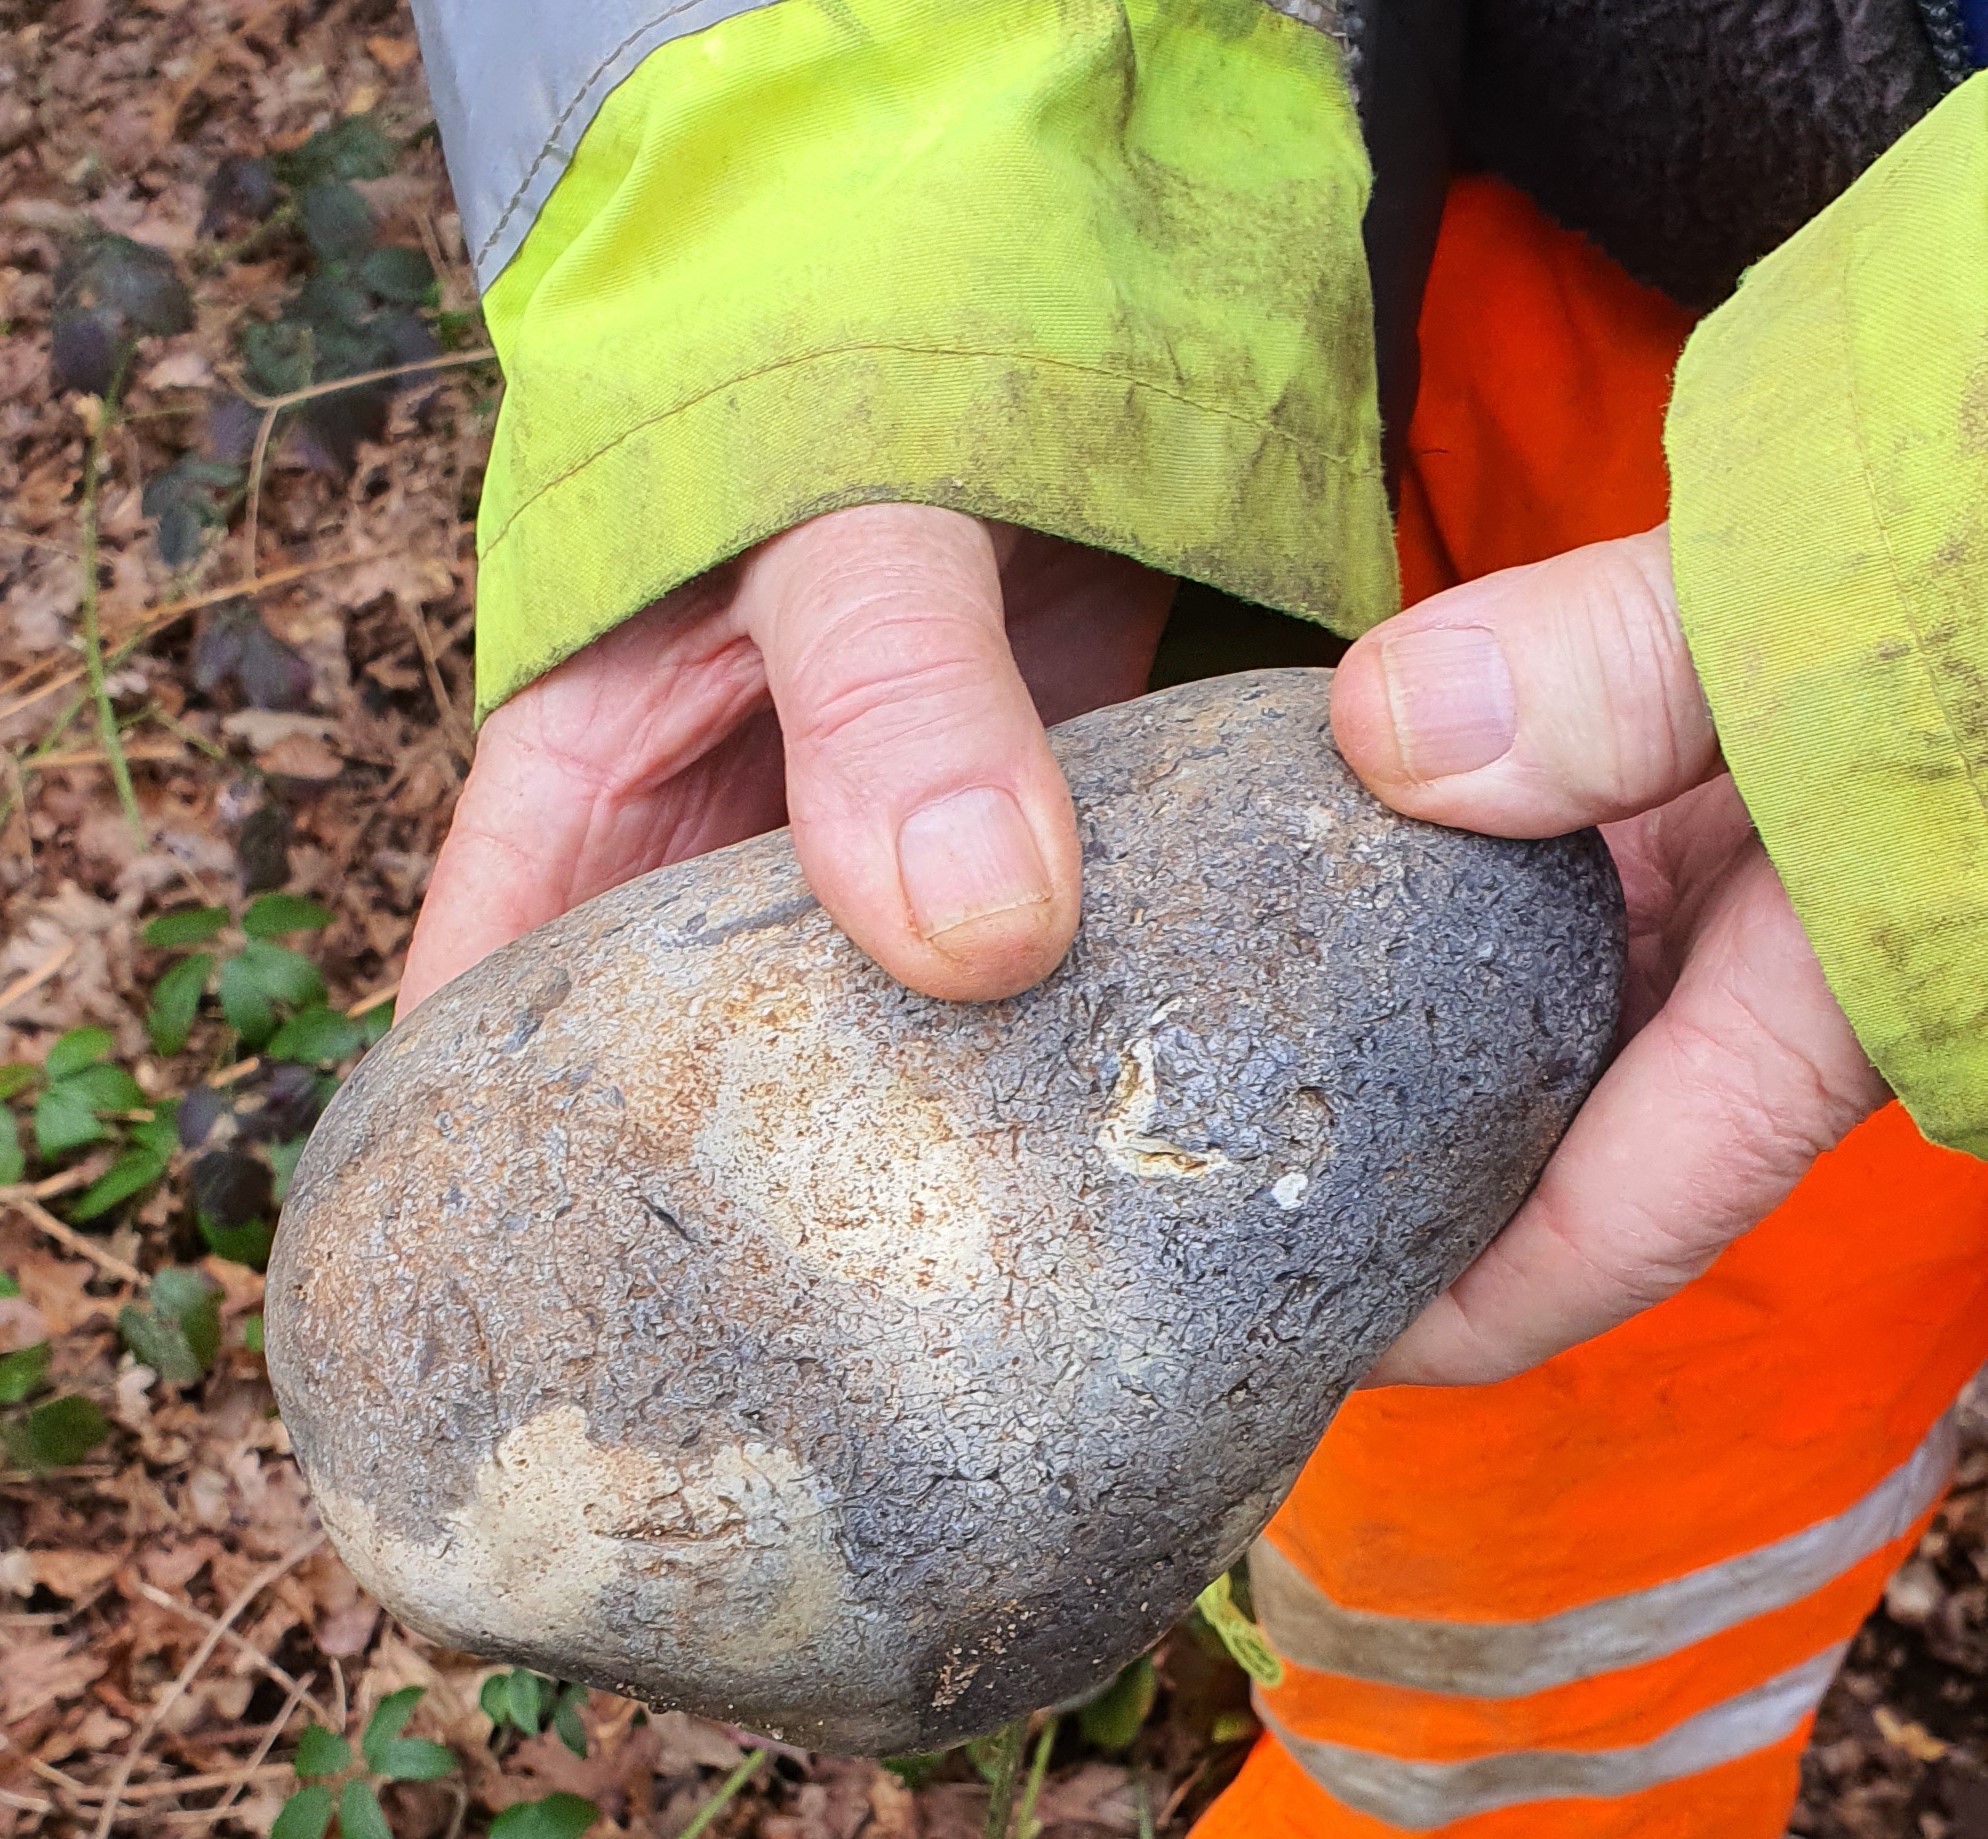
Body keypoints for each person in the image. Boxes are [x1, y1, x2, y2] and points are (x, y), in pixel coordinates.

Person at [394, 0, 1988, 1829]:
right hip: (1468, 323)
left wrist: (1940, 571)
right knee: (1564, 1504)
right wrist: (892, 328)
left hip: (1797, 517)